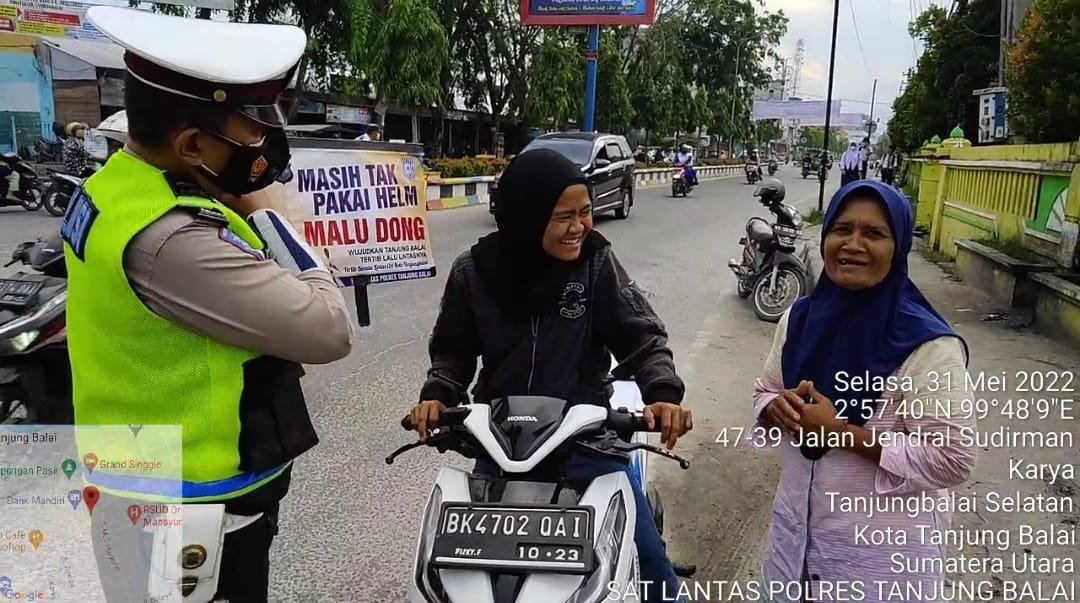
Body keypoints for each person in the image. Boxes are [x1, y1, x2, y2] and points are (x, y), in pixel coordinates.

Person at [62, 7, 353, 602]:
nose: (265, 144)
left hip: (139, 478)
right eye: (250, 129)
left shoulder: (116, 187)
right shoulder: (175, 240)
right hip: (189, 509)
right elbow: (328, 329)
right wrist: (271, 215)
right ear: (192, 143)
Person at [409, 148, 693, 603]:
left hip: (588, 442)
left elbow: (641, 336)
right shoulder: (473, 271)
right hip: (502, 447)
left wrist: (663, 393)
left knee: (652, 563)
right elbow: (453, 351)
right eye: (564, 216)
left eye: (584, 213)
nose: (580, 227)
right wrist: (437, 395)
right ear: (528, 215)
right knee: (457, 575)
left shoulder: (596, 263)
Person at [750, 181, 976, 603]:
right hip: (792, 550)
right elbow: (765, 391)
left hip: (878, 565)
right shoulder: (798, 319)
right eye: (841, 229)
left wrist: (839, 433)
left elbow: (953, 459)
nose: (852, 245)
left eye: (874, 234)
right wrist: (775, 408)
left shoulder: (928, 346)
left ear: (899, 247)